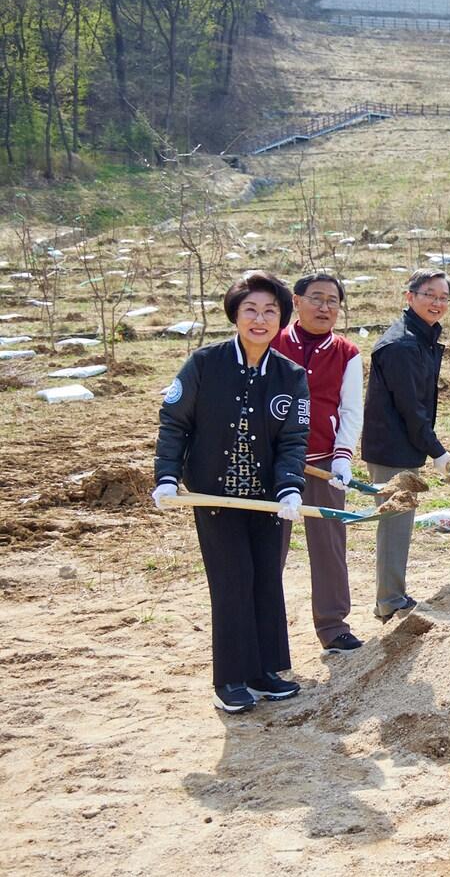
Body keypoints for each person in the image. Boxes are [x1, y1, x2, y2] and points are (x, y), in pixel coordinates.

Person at [152, 270, 310, 714]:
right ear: (235, 316)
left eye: (269, 311)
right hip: (214, 498)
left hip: (267, 501)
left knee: (265, 580)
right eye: (250, 311)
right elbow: (175, 421)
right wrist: (166, 475)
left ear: (281, 319)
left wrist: (290, 488)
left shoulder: (291, 375)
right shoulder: (205, 363)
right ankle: (231, 679)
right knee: (232, 581)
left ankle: (264, 671)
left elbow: (294, 438)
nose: (259, 319)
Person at [272, 273, 364, 655]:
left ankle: (333, 625)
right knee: (268, 547)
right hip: (272, 463)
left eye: (333, 301)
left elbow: (350, 409)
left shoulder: (346, 352)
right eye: (316, 298)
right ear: (296, 301)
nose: (325, 307)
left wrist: (343, 455)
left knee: (329, 544)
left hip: (323, 462)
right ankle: (267, 629)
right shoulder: (272, 342)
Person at [362, 268, 450, 623]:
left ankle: (391, 596)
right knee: (395, 523)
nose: (437, 302)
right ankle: (390, 601)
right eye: (429, 294)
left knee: (398, 522)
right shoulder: (402, 344)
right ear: (410, 297)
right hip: (392, 448)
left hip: (403, 444)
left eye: (443, 297)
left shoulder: (422, 338)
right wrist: (437, 450)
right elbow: (411, 409)